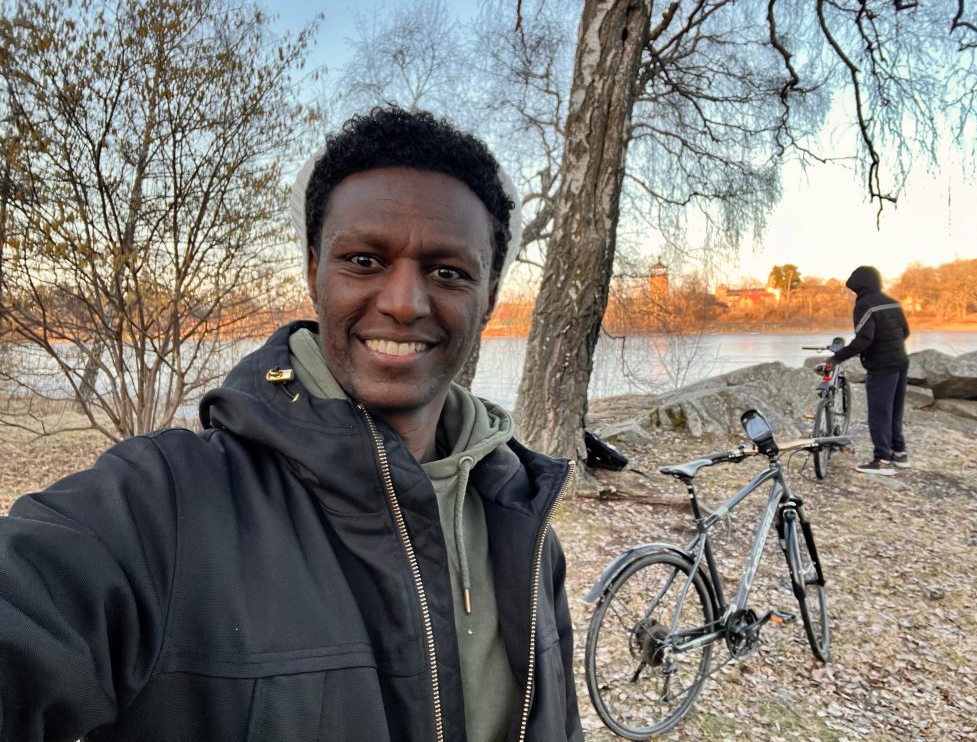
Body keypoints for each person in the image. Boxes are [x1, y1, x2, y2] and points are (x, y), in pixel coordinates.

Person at [0, 106, 583, 742]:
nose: (403, 302)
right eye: (364, 261)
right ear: (313, 272)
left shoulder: (524, 528)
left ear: (489, 297)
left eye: (448, 272)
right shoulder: (166, 507)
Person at [830, 264, 911, 476]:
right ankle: (899, 454)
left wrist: (837, 357)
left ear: (860, 286)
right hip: (900, 362)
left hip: (882, 367)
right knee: (894, 410)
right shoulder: (892, 303)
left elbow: (865, 338)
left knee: (879, 413)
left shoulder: (865, 305)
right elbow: (905, 331)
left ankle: (882, 460)